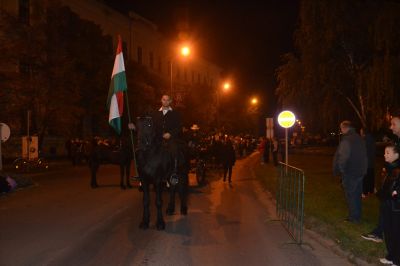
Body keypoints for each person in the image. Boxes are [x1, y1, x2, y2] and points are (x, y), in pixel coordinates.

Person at [362, 114, 400, 243]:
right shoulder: (396, 140)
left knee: (391, 209)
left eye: (394, 124)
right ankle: (379, 233)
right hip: (392, 181)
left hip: (396, 184)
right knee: (385, 207)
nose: (391, 127)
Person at [333, 121, 367, 223]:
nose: (341, 130)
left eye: (341, 128)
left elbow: (343, 158)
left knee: (351, 195)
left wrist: (342, 171)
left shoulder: (347, 140)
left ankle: (353, 218)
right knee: (356, 194)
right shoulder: (359, 138)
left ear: (344, 128)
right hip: (360, 171)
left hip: (350, 172)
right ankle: (357, 215)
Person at [378, 144, 400, 265]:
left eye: (388, 153)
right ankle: (390, 256)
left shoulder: (398, 170)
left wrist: (396, 195)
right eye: (385, 152)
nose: (384, 155)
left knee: (396, 233)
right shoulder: (389, 167)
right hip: (387, 204)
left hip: (395, 207)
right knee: (388, 231)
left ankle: (397, 259)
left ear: (396, 155)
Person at [360, 128, 376, 197]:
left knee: (365, 178)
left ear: (364, 132)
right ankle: (371, 190)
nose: (360, 133)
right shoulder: (371, 138)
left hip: (366, 162)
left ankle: (365, 192)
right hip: (371, 162)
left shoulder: (365, 140)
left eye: (361, 132)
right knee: (371, 176)